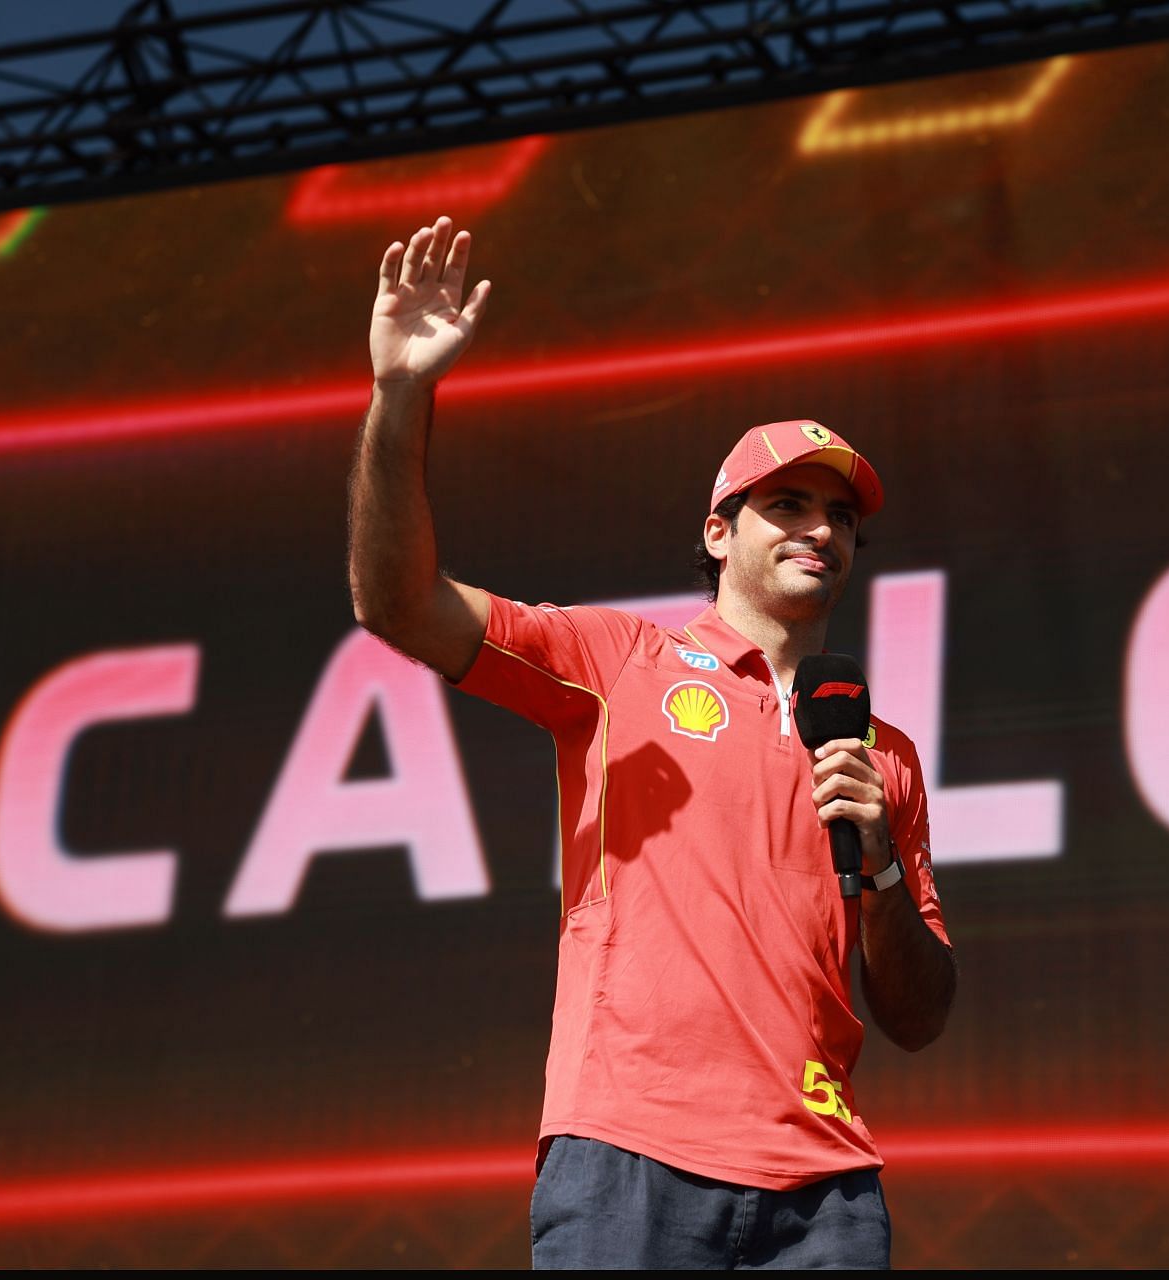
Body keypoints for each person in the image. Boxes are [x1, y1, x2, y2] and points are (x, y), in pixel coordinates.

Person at [348, 215, 958, 1268]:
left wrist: (883, 877)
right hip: (635, 1152)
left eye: (841, 517)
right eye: (787, 504)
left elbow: (918, 1012)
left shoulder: (878, 749)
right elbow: (396, 602)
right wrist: (401, 394)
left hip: (826, 1188)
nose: (820, 528)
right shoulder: (620, 660)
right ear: (720, 531)